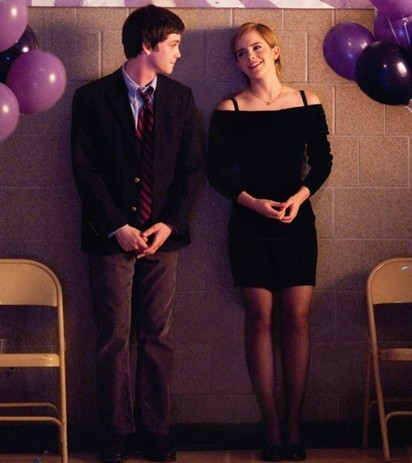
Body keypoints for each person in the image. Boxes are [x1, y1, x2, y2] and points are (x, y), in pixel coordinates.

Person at [71, 6, 204, 463]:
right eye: (173, 44)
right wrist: (118, 226)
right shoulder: (92, 98)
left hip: (163, 238)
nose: (179, 54)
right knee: (113, 336)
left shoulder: (181, 98)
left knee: (157, 336)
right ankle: (115, 432)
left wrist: (170, 223)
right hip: (110, 238)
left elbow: (192, 168)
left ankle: (155, 430)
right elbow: (85, 171)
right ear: (147, 45)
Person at [207, 23, 332, 462]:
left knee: (296, 319)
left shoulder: (306, 101)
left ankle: (294, 423)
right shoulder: (230, 108)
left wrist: (300, 197)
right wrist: (252, 203)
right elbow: (216, 171)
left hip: (296, 220)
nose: (250, 57)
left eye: (257, 47)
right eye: (241, 53)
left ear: (275, 51)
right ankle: (272, 426)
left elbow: (322, 162)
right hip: (249, 223)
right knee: (259, 319)